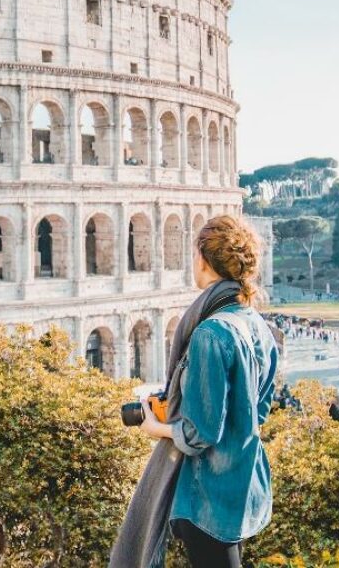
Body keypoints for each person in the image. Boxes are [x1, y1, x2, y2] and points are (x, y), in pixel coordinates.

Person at [110, 215, 280, 568]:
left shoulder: (209, 334)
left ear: (203, 260)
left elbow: (199, 432)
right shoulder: (256, 324)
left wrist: (154, 426)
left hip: (207, 494)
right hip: (244, 481)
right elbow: (256, 410)